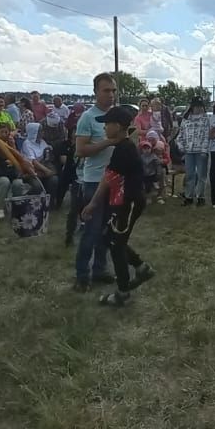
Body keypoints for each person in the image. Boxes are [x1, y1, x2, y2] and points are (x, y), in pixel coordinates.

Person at [81, 104, 154, 306]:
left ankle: (123, 293)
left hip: (128, 203)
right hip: (122, 202)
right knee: (110, 239)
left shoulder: (124, 149)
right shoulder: (122, 146)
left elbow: (107, 179)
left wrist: (92, 204)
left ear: (119, 126)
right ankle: (141, 268)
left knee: (116, 246)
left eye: (107, 124)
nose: (104, 128)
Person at [73, 73, 120, 292]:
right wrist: (108, 142)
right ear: (95, 92)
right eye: (106, 90)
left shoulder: (117, 116)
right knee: (91, 231)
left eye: (113, 90)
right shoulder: (88, 118)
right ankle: (82, 275)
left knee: (106, 230)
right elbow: (81, 150)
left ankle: (100, 270)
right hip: (93, 181)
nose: (111, 95)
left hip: (115, 181)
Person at [175, 96, 210, 206]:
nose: (198, 109)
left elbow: (206, 136)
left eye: (200, 106)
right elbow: (180, 136)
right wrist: (181, 147)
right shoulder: (185, 120)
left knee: (201, 175)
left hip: (201, 152)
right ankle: (189, 196)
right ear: (192, 107)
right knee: (190, 175)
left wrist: (204, 150)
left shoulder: (206, 119)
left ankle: (201, 197)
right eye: (196, 106)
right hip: (189, 152)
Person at [140, 130, 169, 204]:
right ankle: (146, 196)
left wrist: (161, 161)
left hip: (159, 167)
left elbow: (167, 159)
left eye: (153, 139)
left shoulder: (160, 146)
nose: (151, 141)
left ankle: (160, 195)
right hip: (147, 169)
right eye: (149, 139)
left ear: (156, 139)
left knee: (161, 173)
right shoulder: (144, 146)